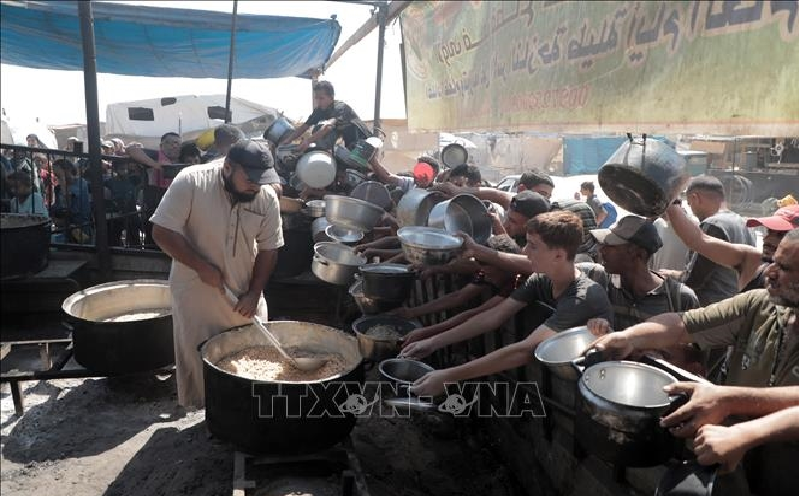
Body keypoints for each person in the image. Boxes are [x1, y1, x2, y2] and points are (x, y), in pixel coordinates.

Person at [402, 211, 613, 395]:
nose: (525, 252)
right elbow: (492, 317)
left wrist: (449, 376)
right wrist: (432, 342)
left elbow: (525, 350)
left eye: (533, 246)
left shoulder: (581, 298)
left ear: (558, 255)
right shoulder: (541, 279)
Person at [151, 140, 284, 408]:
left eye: (262, 180)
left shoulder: (265, 196)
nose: (256, 186)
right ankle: (209, 414)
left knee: (251, 357)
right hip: (196, 294)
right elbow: (162, 232)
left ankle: (244, 412)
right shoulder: (191, 182)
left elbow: (269, 249)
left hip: (243, 294)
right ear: (227, 168)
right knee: (200, 358)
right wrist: (202, 267)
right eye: (250, 178)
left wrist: (255, 292)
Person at [590, 229, 799, 388]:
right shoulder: (756, 304)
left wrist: (726, 400)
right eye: (772, 262)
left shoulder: (680, 295)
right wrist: (629, 338)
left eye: (784, 268)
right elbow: (681, 325)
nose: (769, 272)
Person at [664, 203, 799, 292]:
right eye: (769, 232)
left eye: (781, 235)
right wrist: (672, 203)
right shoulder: (752, 259)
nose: (767, 239)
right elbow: (698, 240)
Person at [681, 175, 756, 305]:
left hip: (712, 310)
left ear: (695, 198)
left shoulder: (713, 224)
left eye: (689, 203)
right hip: (737, 307)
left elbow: (695, 280)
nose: (691, 210)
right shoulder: (744, 224)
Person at [279, 80, 371, 152]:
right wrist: (288, 140)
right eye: (317, 98)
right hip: (349, 142)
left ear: (331, 97)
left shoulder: (340, 107)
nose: (318, 101)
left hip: (363, 141)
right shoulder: (319, 111)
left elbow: (328, 127)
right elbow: (304, 126)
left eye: (321, 98)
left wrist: (308, 141)